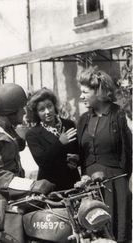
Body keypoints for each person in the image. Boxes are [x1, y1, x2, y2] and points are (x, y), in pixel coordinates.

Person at [0, 84, 55, 241]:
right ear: (9, 112)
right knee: (13, 235)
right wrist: (32, 185)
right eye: (21, 108)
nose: (24, 112)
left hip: (11, 193)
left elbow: (18, 143)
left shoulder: (4, 130)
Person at [77, 67, 132, 242]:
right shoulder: (84, 119)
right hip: (90, 188)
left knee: (117, 230)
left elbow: (130, 150)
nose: (81, 96)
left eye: (85, 92)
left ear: (99, 92)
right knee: (93, 233)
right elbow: (81, 152)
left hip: (115, 184)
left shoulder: (120, 115)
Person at [25, 88, 80, 191]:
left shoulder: (68, 124)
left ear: (54, 106)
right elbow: (42, 161)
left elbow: (78, 150)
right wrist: (60, 143)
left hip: (73, 182)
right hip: (50, 186)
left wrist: (77, 159)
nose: (47, 112)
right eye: (42, 109)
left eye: (49, 106)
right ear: (36, 113)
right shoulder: (33, 134)